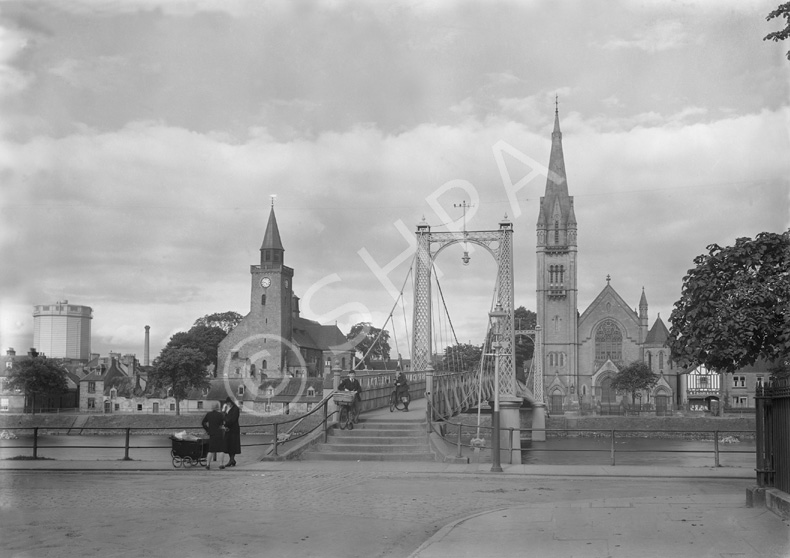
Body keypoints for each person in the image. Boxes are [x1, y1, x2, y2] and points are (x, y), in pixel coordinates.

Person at [200, 401, 226, 470]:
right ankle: (221, 464)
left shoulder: (208, 414)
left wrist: (208, 430)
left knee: (211, 450)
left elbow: (203, 423)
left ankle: (208, 464)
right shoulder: (221, 415)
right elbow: (224, 423)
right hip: (219, 433)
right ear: (218, 407)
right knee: (221, 450)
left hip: (212, 433)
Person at [221, 397, 241, 468]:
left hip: (234, 429)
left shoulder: (235, 409)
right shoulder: (227, 409)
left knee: (233, 445)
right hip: (228, 429)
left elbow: (233, 419)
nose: (227, 404)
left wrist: (226, 423)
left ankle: (231, 460)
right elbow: (224, 417)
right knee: (228, 445)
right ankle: (232, 460)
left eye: (228, 402)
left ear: (231, 402)